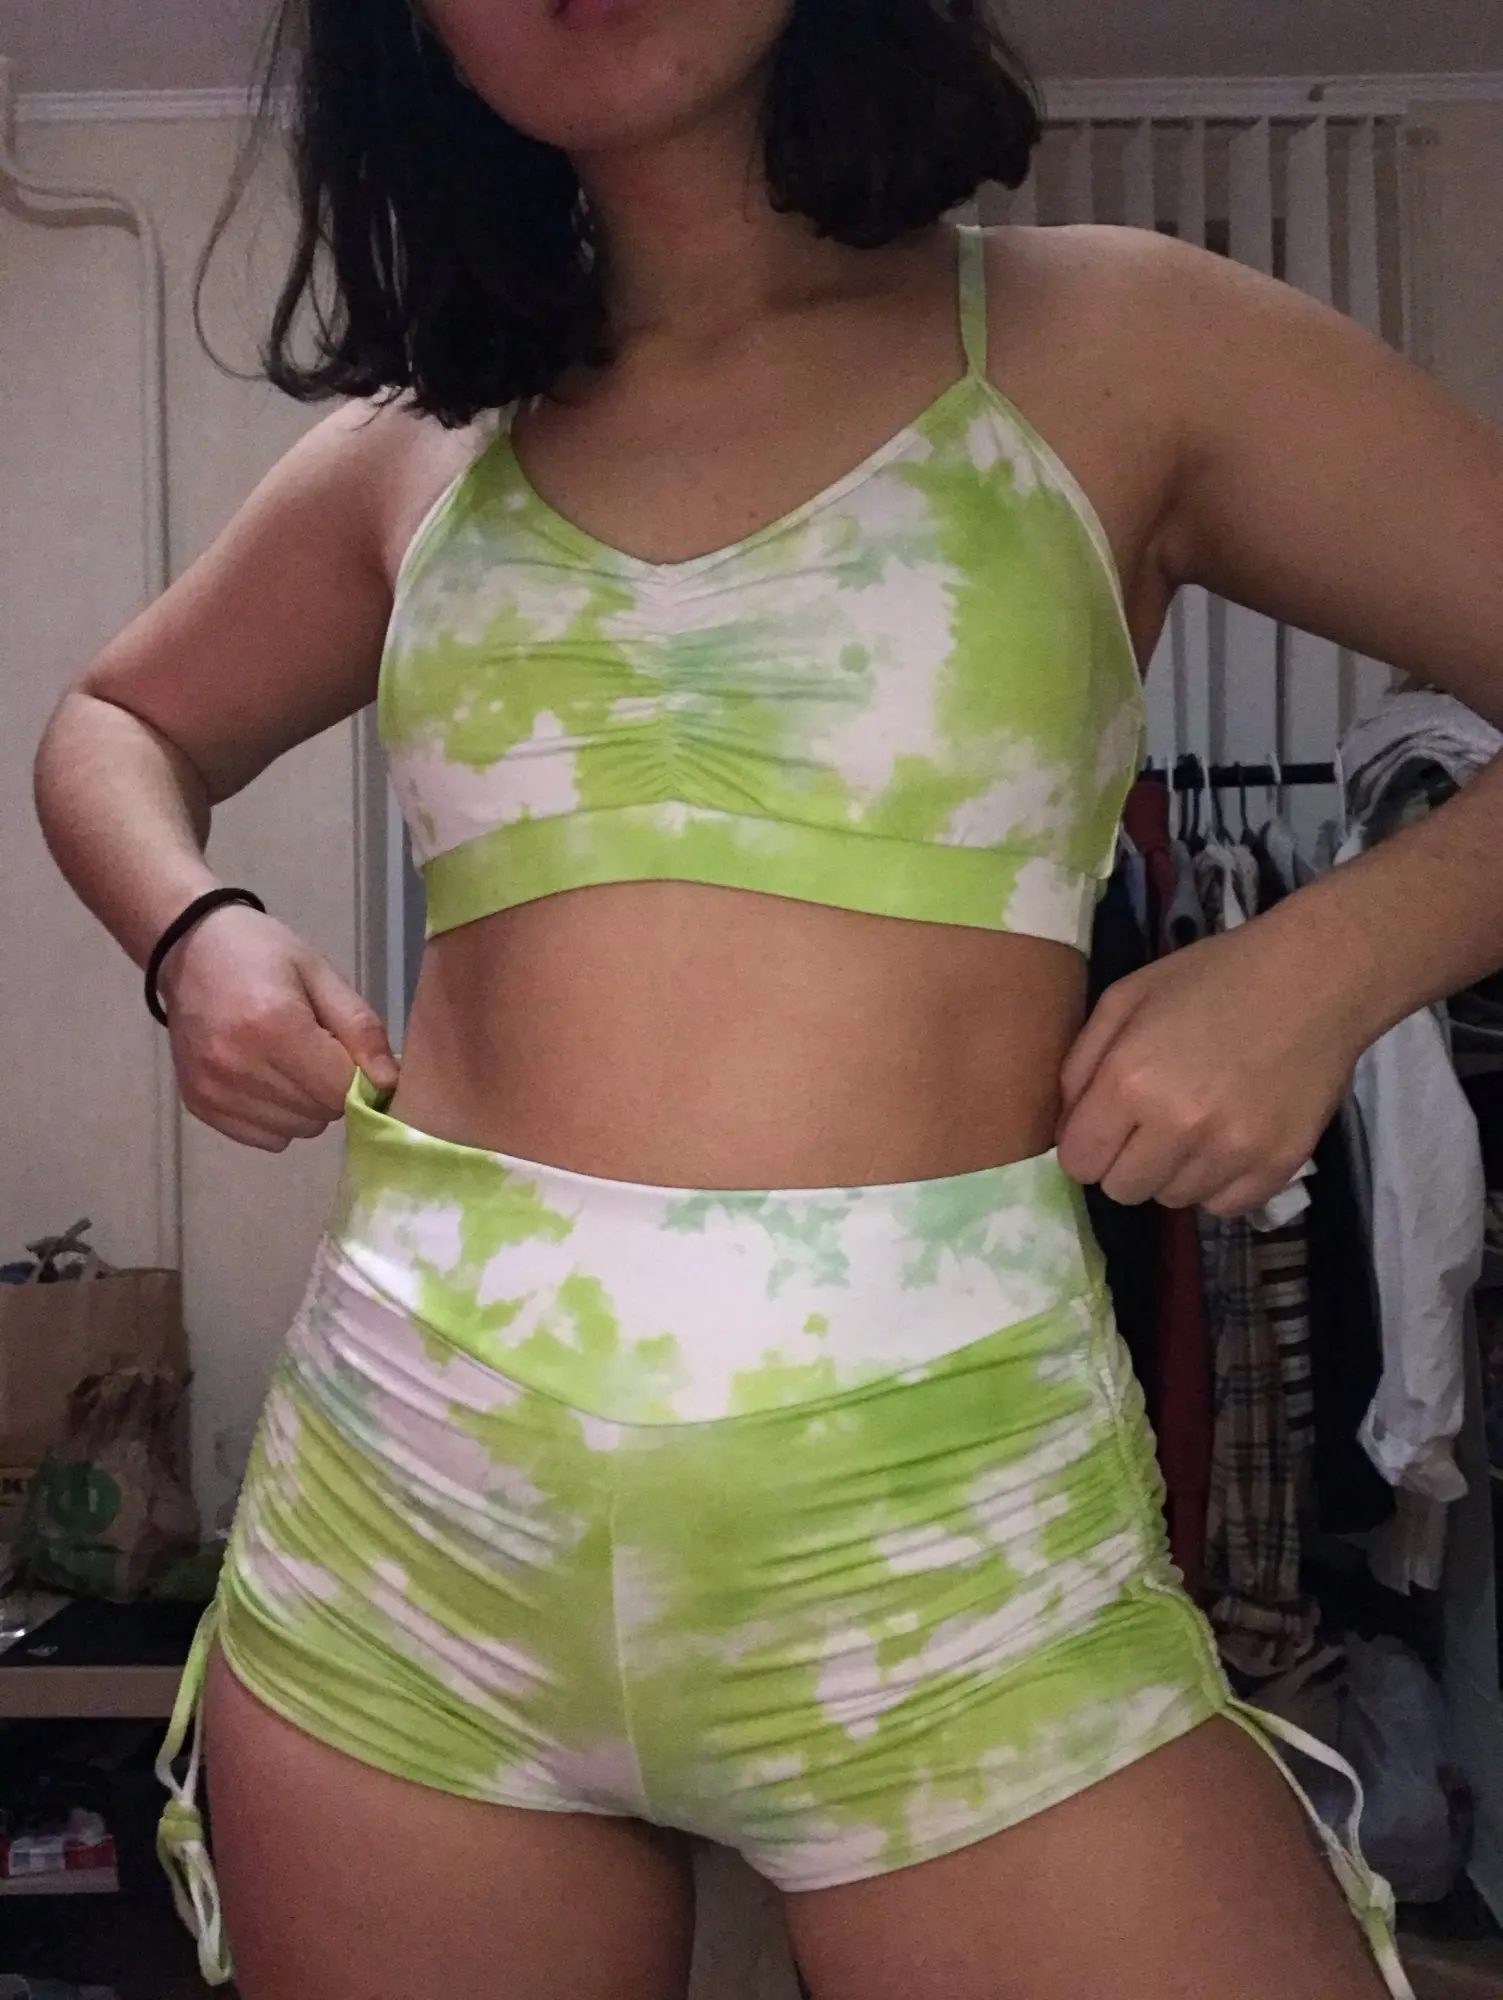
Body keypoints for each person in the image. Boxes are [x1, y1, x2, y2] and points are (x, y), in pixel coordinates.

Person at [30, 1, 1503, 1995]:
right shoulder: (412, 447)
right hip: (413, 1542)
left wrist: (1327, 960)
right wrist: (195, 931)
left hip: (942, 1545)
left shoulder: (1122, 344)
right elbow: (116, 721)